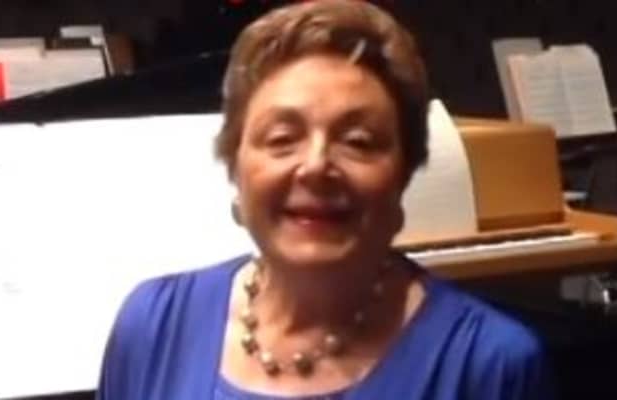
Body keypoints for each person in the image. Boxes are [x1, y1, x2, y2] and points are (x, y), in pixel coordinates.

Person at [97, 0, 554, 398]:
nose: (315, 166)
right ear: (235, 166)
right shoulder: (151, 325)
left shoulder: (491, 365)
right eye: (282, 138)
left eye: (358, 141)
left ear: (403, 175)